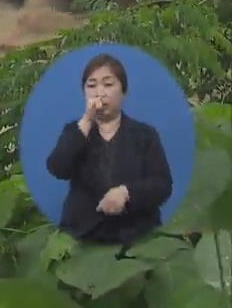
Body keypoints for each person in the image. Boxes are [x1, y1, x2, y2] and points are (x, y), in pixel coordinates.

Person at [46, 53, 173, 244]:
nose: (100, 92)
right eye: (92, 85)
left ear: (123, 91)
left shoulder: (144, 134)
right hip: (83, 236)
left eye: (108, 84)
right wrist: (87, 120)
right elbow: (57, 168)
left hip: (136, 237)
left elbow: (162, 185)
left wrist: (126, 193)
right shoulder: (75, 132)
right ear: (84, 93)